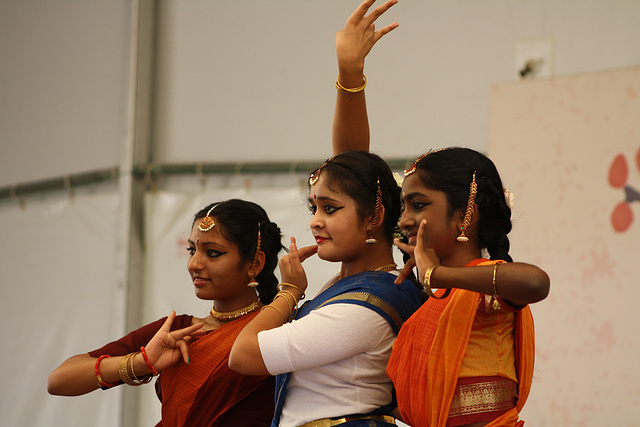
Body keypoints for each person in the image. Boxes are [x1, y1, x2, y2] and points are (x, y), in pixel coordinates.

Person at [331, 2, 551, 426]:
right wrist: (350, 77)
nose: (405, 217)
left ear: (465, 215)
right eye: (404, 206)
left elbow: (535, 281)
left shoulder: (485, 284)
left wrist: (438, 276)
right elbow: (353, 177)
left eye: (419, 205)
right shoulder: (423, 288)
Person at [229, 150, 425, 427]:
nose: (315, 222)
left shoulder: (367, 302)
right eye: (314, 208)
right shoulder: (350, 285)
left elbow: (243, 355)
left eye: (330, 208)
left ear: (373, 217)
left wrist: (289, 292)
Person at [48, 199, 285, 427]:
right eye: (192, 250)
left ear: (254, 264)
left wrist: (290, 294)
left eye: (212, 253)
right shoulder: (177, 331)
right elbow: (59, 380)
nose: (194, 264)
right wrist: (141, 363)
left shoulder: (282, 330)